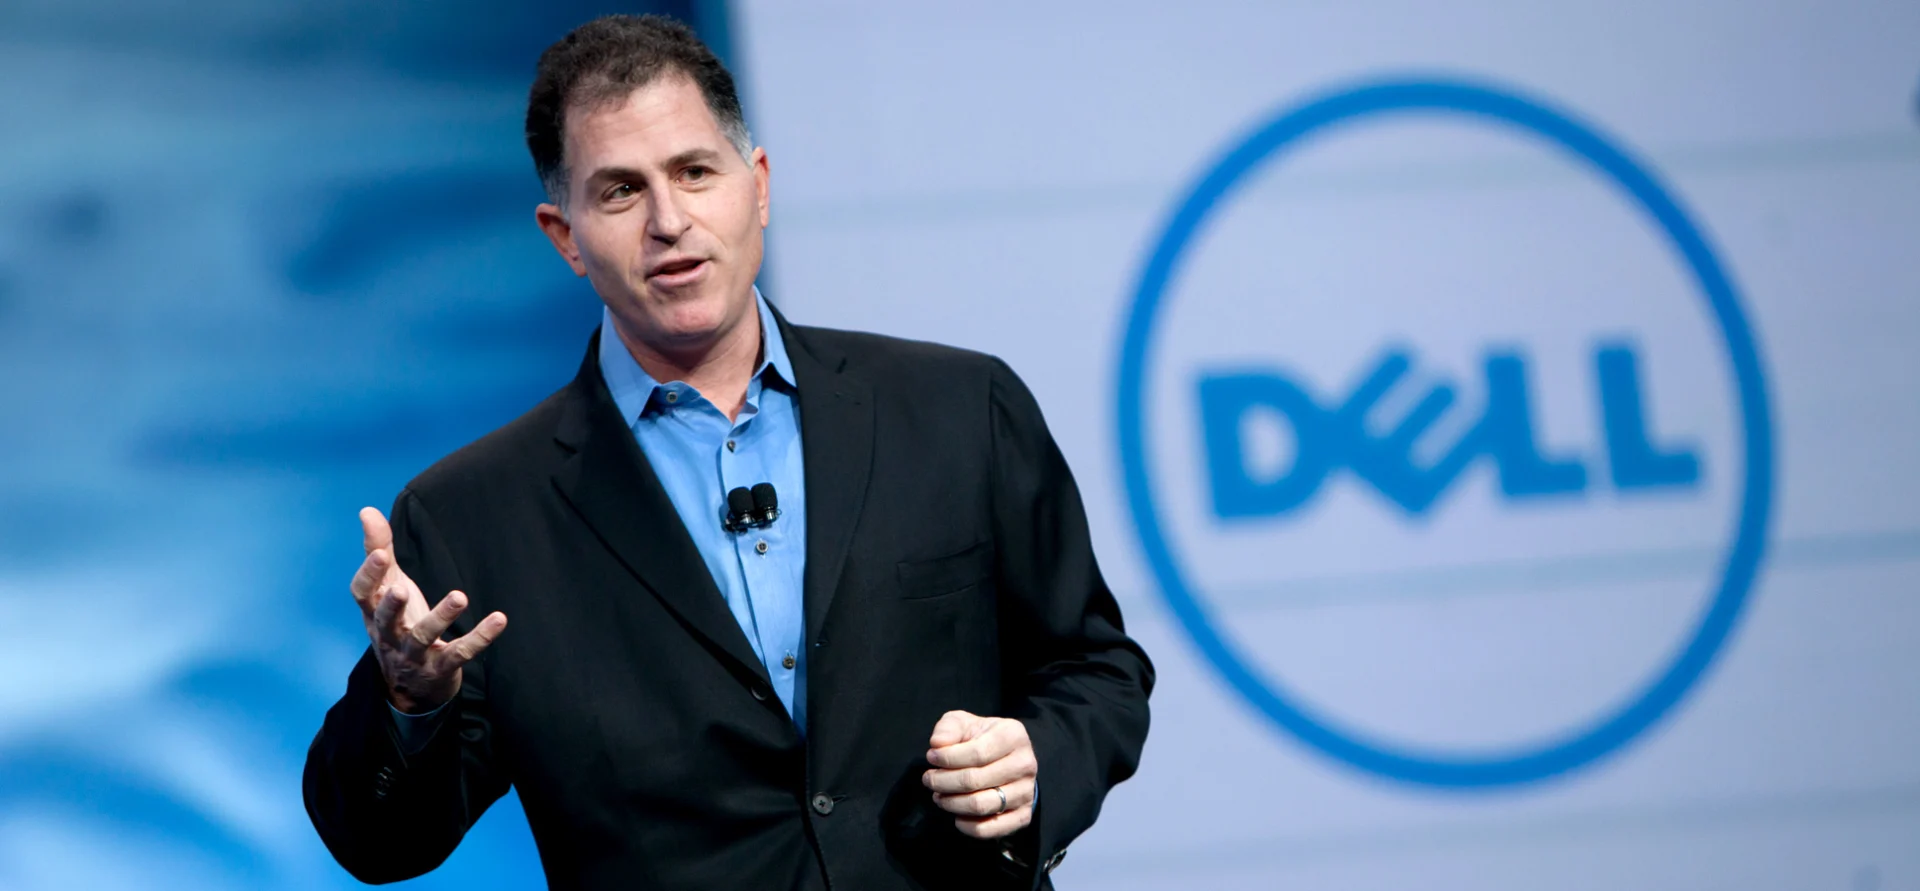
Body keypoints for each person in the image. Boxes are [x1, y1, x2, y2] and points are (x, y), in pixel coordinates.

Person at [302, 14, 1152, 891]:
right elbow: (379, 841)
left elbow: (1096, 671)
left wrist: (1036, 760)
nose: (670, 220)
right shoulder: (473, 517)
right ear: (566, 237)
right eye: (621, 191)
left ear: (759, 185)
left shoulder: (959, 409)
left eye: (695, 172)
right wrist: (410, 701)